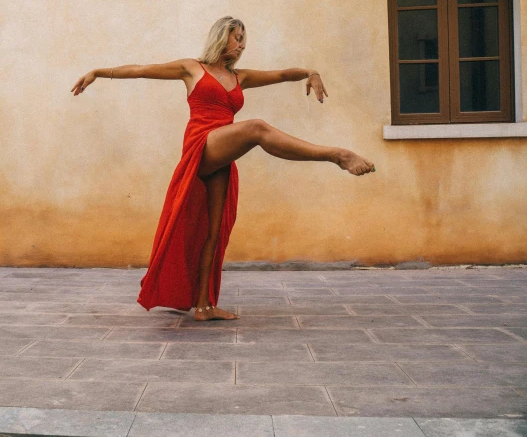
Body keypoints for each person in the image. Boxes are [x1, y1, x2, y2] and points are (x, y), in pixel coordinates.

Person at [71, 16, 375, 322]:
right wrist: (97, 72)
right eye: (237, 38)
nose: (242, 45)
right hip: (201, 147)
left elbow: (282, 74)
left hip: (222, 156)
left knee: (213, 233)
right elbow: (139, 71)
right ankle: (336, 155)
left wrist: (311, 72)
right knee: (257, 128)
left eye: (244, 39)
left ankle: (203, 305)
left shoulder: (239, 77)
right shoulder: (192, 68)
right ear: (221, 38)